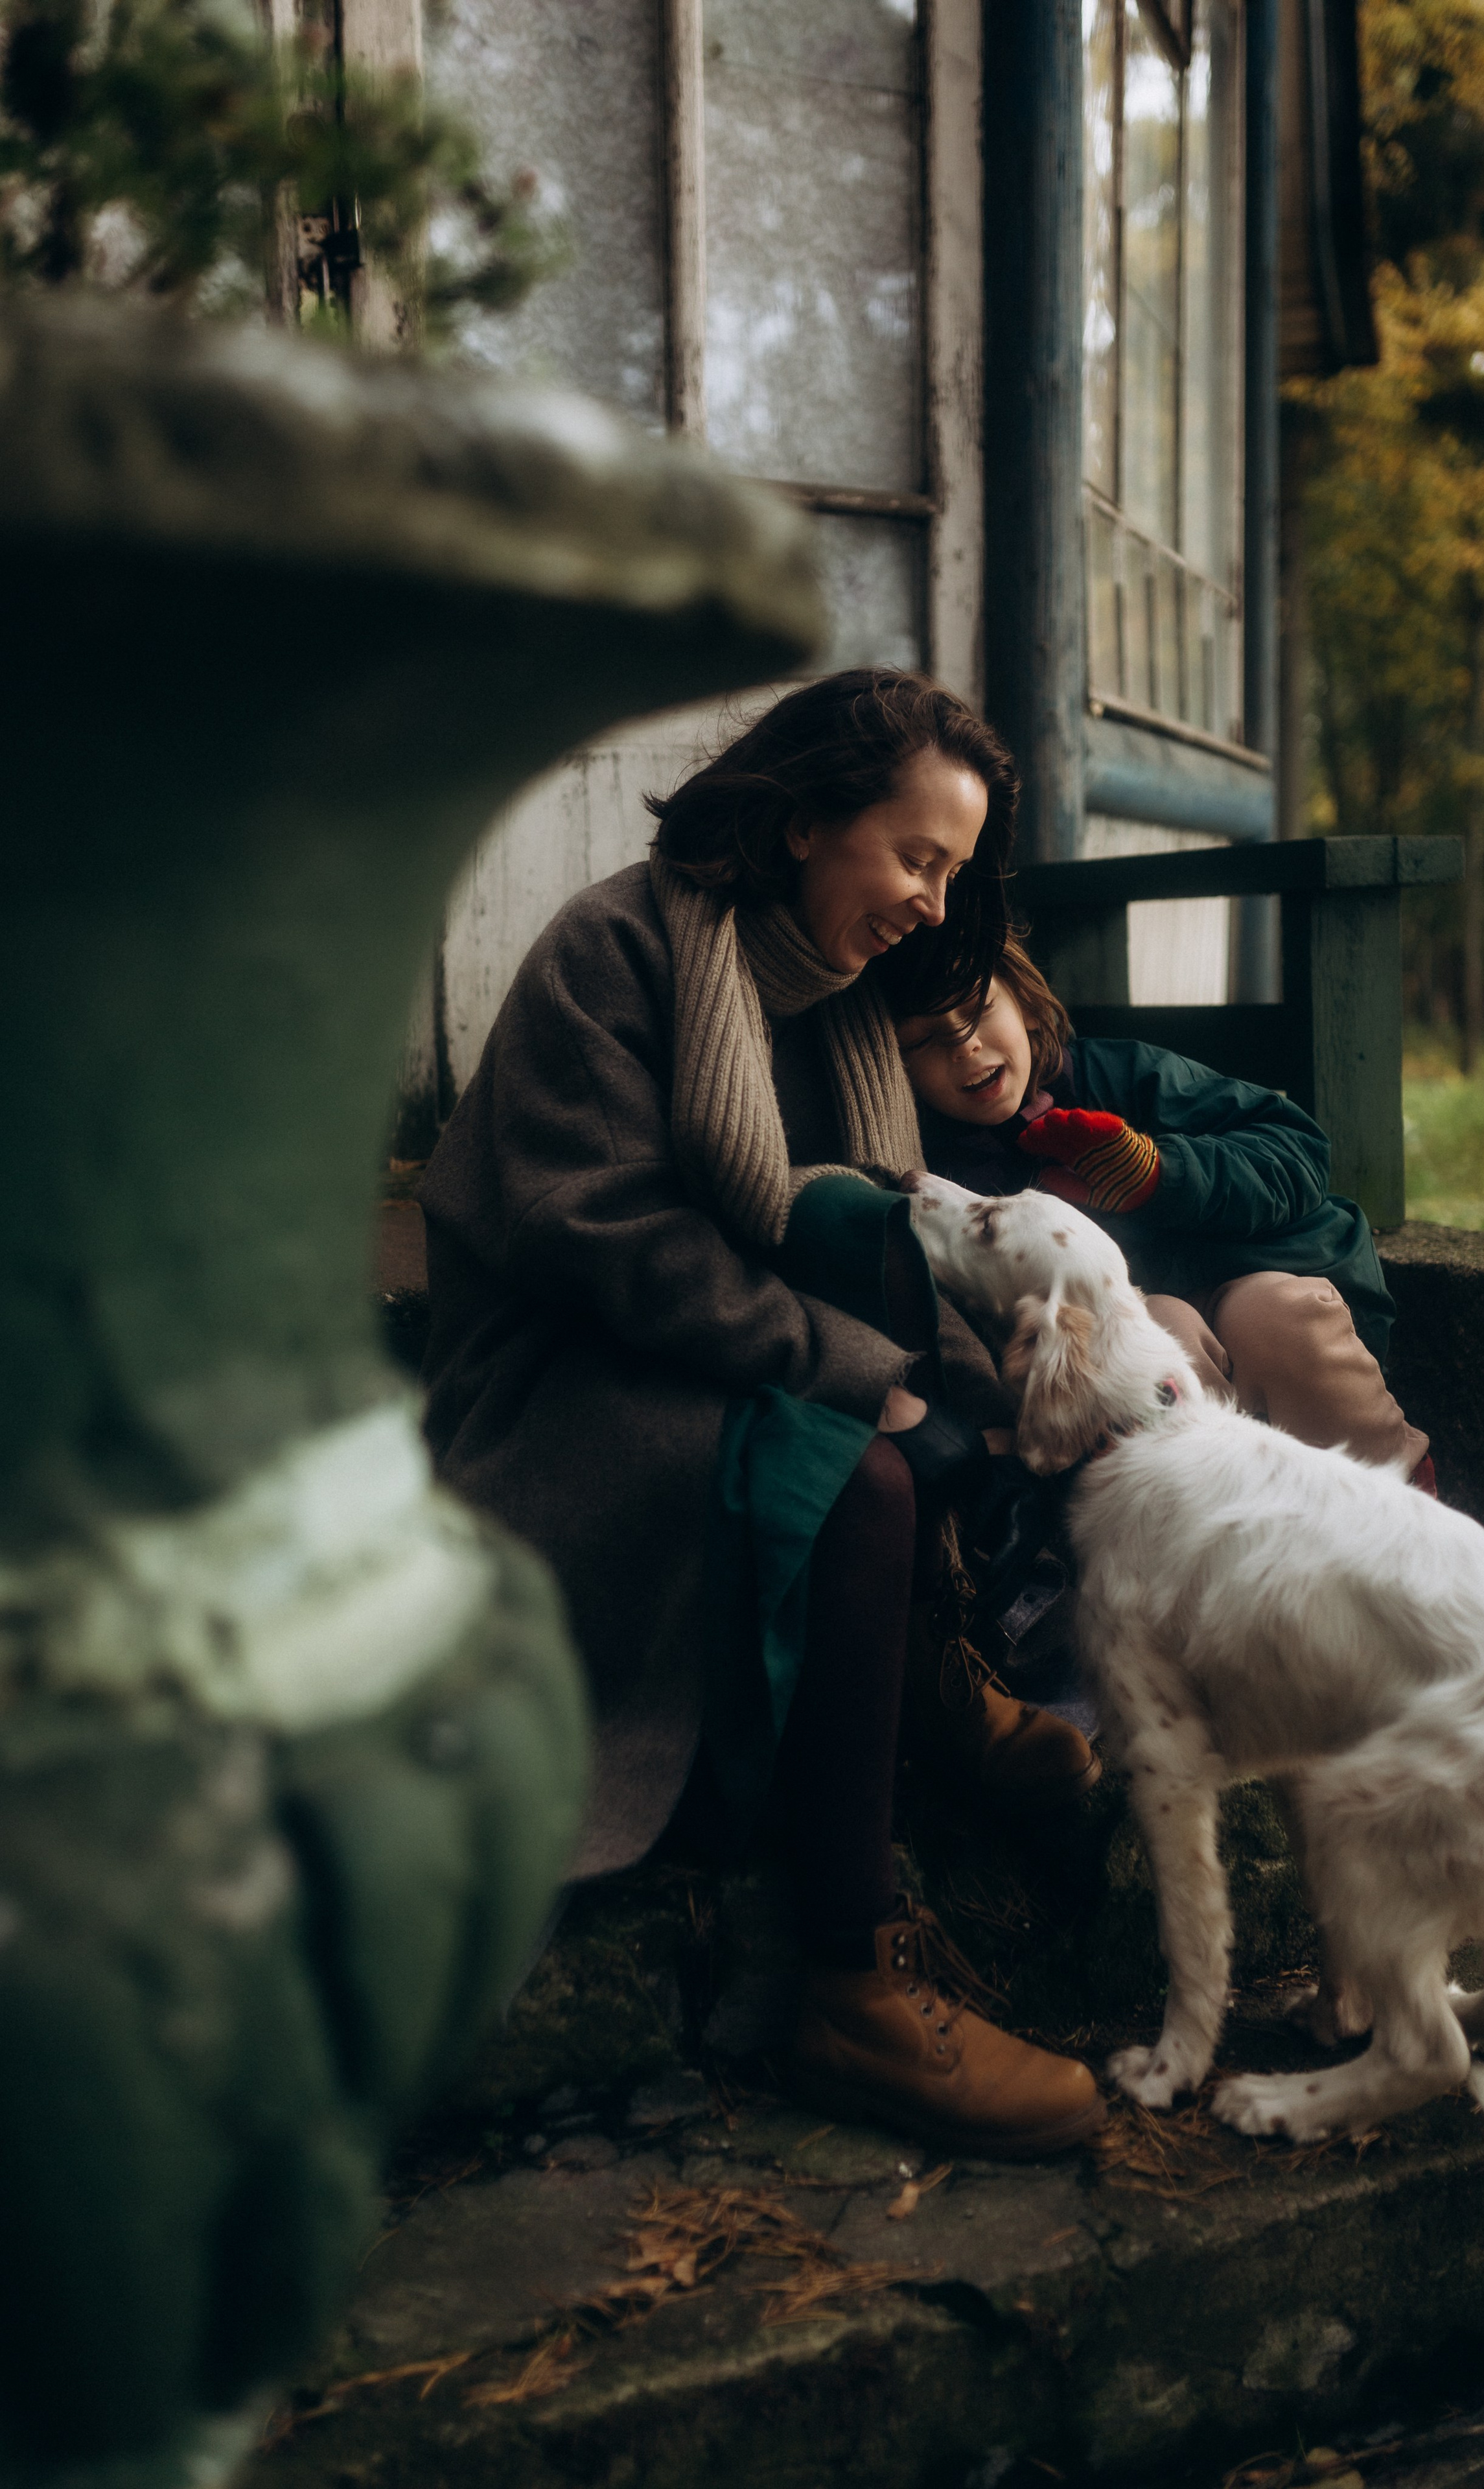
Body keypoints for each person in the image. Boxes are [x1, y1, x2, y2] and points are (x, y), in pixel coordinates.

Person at [417, 670, 1106, 2158]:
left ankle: (924, 1683)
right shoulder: (612, 950)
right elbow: (604, 1242)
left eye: (952, 872)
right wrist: (859, 1368)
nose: (932, 904)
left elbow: (890, 1236)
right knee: (856, 1473)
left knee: (947, 1427)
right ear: (803, 822)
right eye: (915, 858)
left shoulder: (849, 1007)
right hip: (565, 1388)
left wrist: (1013, 1378)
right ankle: (852, 1984)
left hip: (722, 1362)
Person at [897, 936, 1432, 1484]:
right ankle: (1223, 1530)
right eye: (926, 1040)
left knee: (1273, 1315)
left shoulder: (1124, 1076)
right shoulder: (951, 1181)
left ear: (1028, 1007)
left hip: (1278, 1283)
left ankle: (1399, 1502)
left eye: (981, 1011)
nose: (965, 1046)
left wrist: (1161, 1175)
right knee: (1160, 1331)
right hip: (1164, 1335)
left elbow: (1299, 1149)